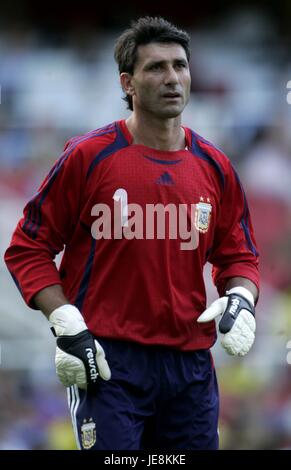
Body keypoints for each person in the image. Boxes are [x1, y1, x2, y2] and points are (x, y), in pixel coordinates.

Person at [4, 16, 259, 450]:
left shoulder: (215, 166)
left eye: (180, 65)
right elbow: (28, 247)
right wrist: (66, 323)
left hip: (190, 367)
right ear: (128, 83)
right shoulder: (88, 157)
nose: (172, 77)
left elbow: (239, 255)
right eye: (156, 67)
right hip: (107, 362)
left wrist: (242, 298)